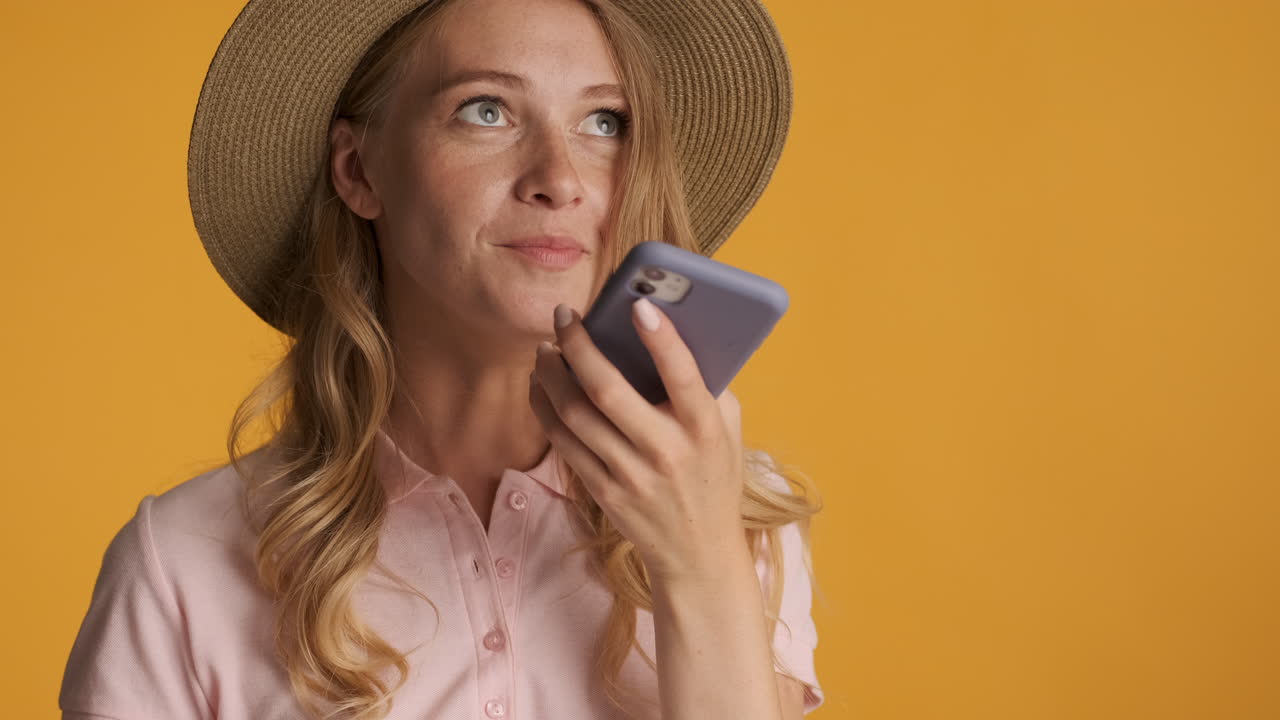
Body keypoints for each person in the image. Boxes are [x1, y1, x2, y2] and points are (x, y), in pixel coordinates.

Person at [59, 0, 825, 718]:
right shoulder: (180, 565)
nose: (559, 179)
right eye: (485, 110)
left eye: (603, 121)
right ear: (359, 171)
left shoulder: (741, 515)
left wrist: (702, 566)